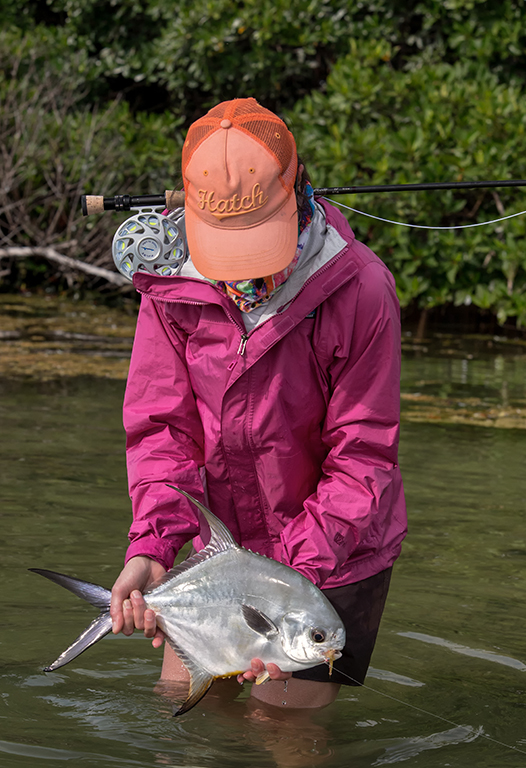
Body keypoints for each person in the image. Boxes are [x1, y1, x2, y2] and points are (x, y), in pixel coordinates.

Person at [110, 97, 406, 709]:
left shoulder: (363, 288)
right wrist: (151, 545)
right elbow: (162, 431)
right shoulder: (170, 288)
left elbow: (363, 456)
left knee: (289, 746)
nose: (244, 272)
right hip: (221, 555)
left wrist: (284, 592)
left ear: (298, 192)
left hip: (335, 557)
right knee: (179, 719)